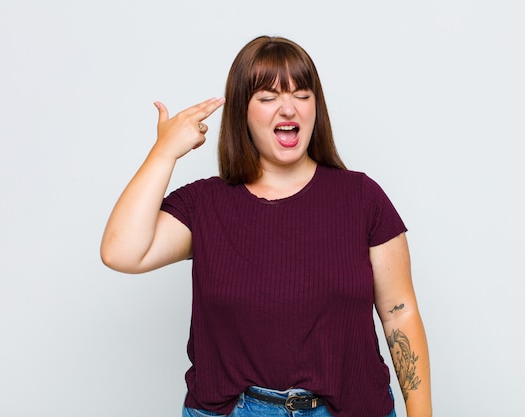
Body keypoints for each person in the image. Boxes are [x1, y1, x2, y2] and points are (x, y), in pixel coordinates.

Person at [101, 35, 431, 417]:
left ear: (316, 108)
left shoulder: (361, 197)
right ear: (243, 110)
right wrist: (164, 152)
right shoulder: (204, 204)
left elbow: (398, 313)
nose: (288, 108)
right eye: (268, 97)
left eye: (302, 94)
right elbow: (121, 252)